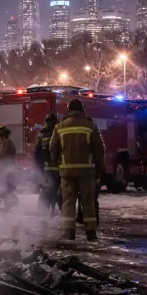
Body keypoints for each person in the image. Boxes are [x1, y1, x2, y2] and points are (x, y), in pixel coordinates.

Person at [50, 98, 105, 241]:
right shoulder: (90, 126)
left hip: (66, 172)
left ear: (69, 110)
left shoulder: (59, 127)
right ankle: (91, 232)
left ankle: (69, 232)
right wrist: (100, 168)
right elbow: (99, 149)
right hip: (87, 171)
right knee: (88, 201)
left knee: (68, 201)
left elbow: (53, 148)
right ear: (82, 109)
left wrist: (56, 164)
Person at [34, 112, 61, 216]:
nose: (50, 123)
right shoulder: (44, 132)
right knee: (47, 189)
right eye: (48, 121)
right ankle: (45, 211)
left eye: (51, 121)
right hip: (49, 168)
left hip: (56, 168)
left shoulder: (58, 131)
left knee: (57, 190)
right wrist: (39, 165)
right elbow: (38, 151)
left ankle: (59, 210)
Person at [0, 125, 18, 207]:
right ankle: (9, 204)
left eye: (0, 133)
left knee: (8, 187)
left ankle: (11, 204)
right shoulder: (0, 143)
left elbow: (4, 155)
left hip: (7, 169)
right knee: (4, 187)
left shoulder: (7, 142)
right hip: (2, 169)